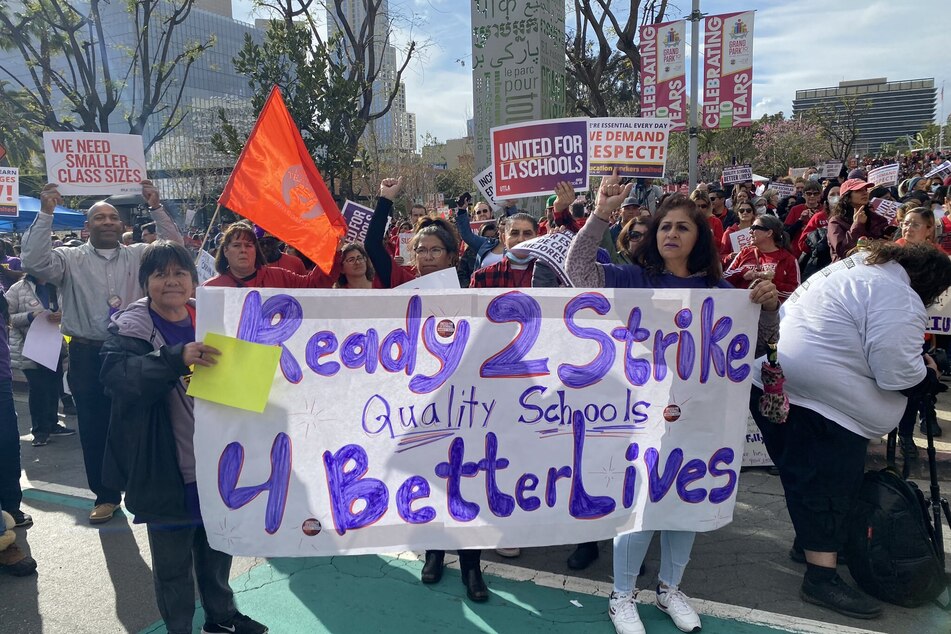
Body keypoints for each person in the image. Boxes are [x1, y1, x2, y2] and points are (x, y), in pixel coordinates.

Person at [566, 174, 780, 634]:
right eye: (664, 227)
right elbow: (580, 272)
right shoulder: (631, 278)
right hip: (642, 417)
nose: (671, 234)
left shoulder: (722, 295)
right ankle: (622, 596)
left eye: (683, 227)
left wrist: (766, 306)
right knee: (642, 503)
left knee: (687, 500)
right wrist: (600, 214)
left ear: (699, 238)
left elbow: (757, 343)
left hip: (700, 419)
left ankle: (669, 589)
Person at [757, 243, 951, 620]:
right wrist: (925, 372)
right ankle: (821, 578)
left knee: (808, 483)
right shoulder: (896, 294)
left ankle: (813, 546)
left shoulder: (854, 271)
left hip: (788, 389)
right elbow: (896, 370)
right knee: (824, 489)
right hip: (821, 404)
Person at [99, 241, 268, 634]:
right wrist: (176, 357)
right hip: (166, 469)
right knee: (173, 567)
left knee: (217, 551)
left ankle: (221, 618)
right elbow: (117, 378)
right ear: (146, 283)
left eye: (180, 273)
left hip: (218, 465)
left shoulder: (212, 318)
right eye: (160, 274)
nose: (171, 282)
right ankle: (180, 629)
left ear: (195, 280)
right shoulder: (130, 328)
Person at [21, 181, 183, 524]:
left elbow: (175, 249)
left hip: (135, 352)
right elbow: (33, 261)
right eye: (99, 218)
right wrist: (46, 212)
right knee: (95, 428)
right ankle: (106, 495)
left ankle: (148, 489)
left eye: (112, 217)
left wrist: (156, 207)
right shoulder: (68, 259)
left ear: (123, 225)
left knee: (146, 421)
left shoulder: (141, 255)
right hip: (86, 353)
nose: (107, 222)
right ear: (87, 226)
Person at [363, 178, 487, 600]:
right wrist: (385, 200)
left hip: (464, 403)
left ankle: (473, 566)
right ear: (411, 256)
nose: (428, 256)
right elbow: (373, 246)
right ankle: (434, 554)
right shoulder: (400, 284)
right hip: (417, 401)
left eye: (436, 250)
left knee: (465, 482)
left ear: (453, 256)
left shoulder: (469, 289)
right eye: (421, 250)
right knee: (431, 479)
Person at [5, 274, 75, 446]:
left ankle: (52, 424)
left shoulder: (57, 287)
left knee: (53, 386)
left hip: (54, 345)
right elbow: (8, 317)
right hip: (29, 347)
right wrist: (31, 316)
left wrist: (61, 316)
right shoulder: (17, 289)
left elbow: (70, 311)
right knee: (37, 390)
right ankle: (39, 431)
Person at [203, 223, 338, 288]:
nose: (243, 250)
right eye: (237, 245)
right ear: (225, 251)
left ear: (256, 250)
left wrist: (334, 253)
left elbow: (313, 284)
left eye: (249, 245)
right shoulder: (211, 289)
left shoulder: (281, 277)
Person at [725, 215, 801, 302]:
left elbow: (797, 292)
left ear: (769, 233)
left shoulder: (788, 259)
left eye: (754, 228)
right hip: (742, 308)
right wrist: (742, 272)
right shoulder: (744, 253)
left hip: (771, 312)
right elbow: (725, 277)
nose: (750, 231)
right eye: (750, 227)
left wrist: (770, 285)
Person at [469, 213, 538, 288]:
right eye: (514, 233)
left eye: (527, 234)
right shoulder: (482, 277)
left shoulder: (549, 274)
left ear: (537, 238)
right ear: (504, 238)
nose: (520, 239)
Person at [827, 179, 888, 261]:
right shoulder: (836, 222)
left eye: (865, 190)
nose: (865, 193)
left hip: (876, 265)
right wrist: (857, 225)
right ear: (847, 197)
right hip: (848, 269)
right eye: (858, 190)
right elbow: (843, 251)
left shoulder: (878, 219)